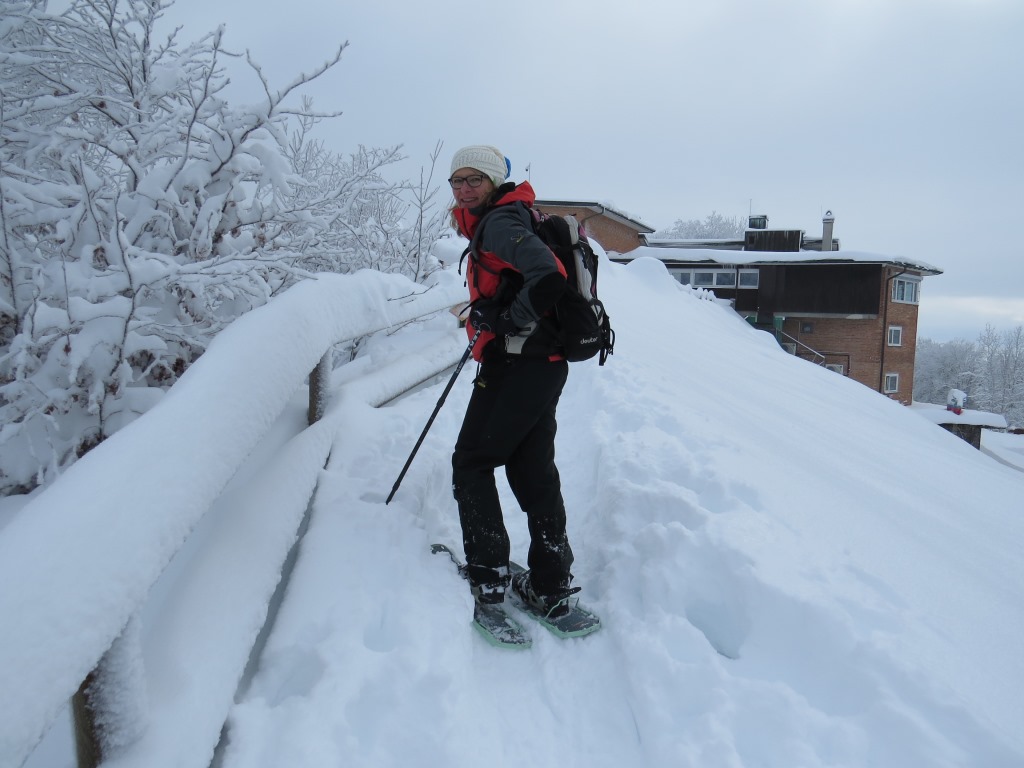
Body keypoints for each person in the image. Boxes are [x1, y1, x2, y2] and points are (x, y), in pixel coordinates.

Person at [448, 144, 579, 620]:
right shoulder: (517, 214)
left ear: (492, 182)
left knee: (471, 462)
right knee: (532, 469)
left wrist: (504, 321)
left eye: (474, 180)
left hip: (519, 363)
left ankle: (488, 578)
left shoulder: (501, 223)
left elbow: (549, 277)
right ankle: (550, 584)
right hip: (545, 362)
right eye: (457, 181)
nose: (465, 190)